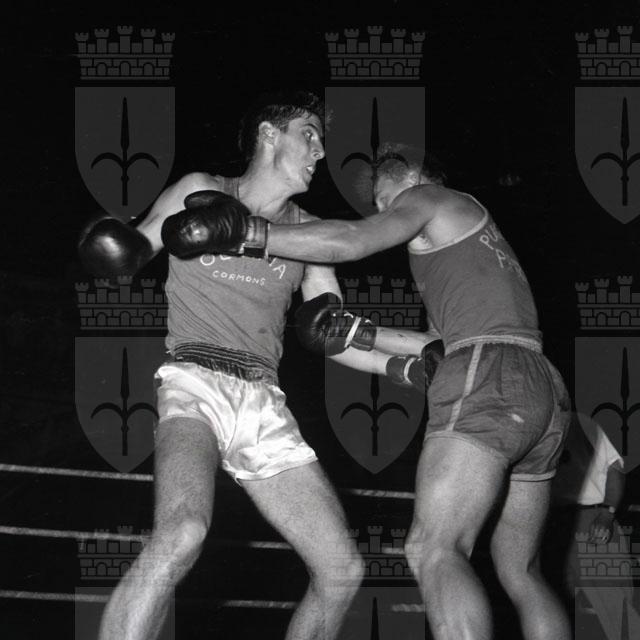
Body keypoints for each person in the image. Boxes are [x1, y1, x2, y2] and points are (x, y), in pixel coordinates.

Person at [78, 95, 439, 640]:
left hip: (263, 400)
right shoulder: (201, 188)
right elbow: (132, 250)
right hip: (194, 381)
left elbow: (333, 334)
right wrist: (111, 244)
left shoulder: (308, 233)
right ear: (270, 134)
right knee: (182, 532)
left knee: (341, 570)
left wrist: (406, 367)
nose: (320, 152)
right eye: (308, 134)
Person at [193, 143, 574, 640]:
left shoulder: (428, 198)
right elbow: (439, 347)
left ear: (409, 178)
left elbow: (353, 241)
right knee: (521, 570)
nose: (380, 210)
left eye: (382, 198)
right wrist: (358, 333)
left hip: (490, 372)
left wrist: (249, 232)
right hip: (542, 386)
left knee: (433, 548)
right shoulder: (467, 237)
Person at [545, 412, 640, 640]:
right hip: (554, 523)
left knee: (614, 611)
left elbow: (615, 468)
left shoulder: (584, 424)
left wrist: (606, 514)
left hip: (591, 521)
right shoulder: (540, 424)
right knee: (570, 608)